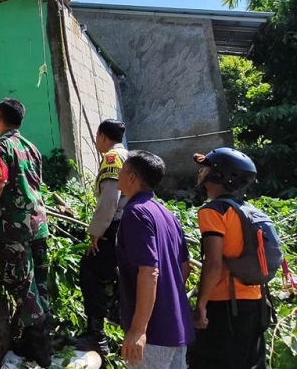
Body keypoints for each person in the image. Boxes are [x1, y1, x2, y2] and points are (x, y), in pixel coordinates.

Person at [0, 98, 51, 367]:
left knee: (20, 283)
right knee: (39, 281)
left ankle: (38, 346)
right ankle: (41, 334)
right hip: (38, 224)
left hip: (15, 228)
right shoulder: (31, 148)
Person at [188, 148, 268, 368]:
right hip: (258, 302)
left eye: (206, 168)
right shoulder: (249, 210)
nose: (201, 173)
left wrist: (201, 305)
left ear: (218, 175)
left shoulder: (213, 211)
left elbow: (213, 264)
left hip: (226, 305)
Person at [116, 151, 194, 368]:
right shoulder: (167, 214)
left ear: (132, 178)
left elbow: (149, 271)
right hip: (177, 327)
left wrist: (139, 329)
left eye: (122, 170)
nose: (118, 175)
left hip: (153, 334)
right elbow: (185, 268)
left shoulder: (136, 213)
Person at [71, 119, 128, 354]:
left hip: (114, 226)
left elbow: (110, 201)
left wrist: (96, 232)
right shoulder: (128, 155)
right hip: (127, 226)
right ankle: (114, 320)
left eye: (97, 137)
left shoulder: (112, 158)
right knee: (115, 276)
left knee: (90, 272)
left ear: (102, 136)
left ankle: (97, 335)